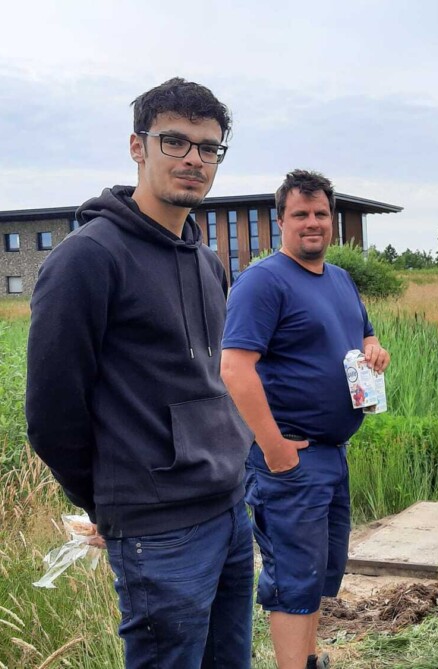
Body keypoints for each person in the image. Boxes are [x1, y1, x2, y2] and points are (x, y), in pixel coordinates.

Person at [25, 78, 254, 669]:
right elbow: (52, 416)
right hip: (160, 532)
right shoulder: (88, 258)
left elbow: (212, 381)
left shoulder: (208, 263)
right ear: (137, 146)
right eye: (174, 142)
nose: (193, 160)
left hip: (229, 510)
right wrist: (112, 505)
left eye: (209, 148)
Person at [221, 169, 390, 669]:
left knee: (318, 572)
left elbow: (364, 333)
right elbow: (234, 368)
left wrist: (374, 349)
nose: (312, 223)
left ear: (332, 220)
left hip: (332, 456)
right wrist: (272, 446)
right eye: (301, 214)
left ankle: (309, 660)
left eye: (320, 214)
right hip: (290, 457)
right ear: (281, 221)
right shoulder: (263, 282)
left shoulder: (339, 278)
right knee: (293, 575)